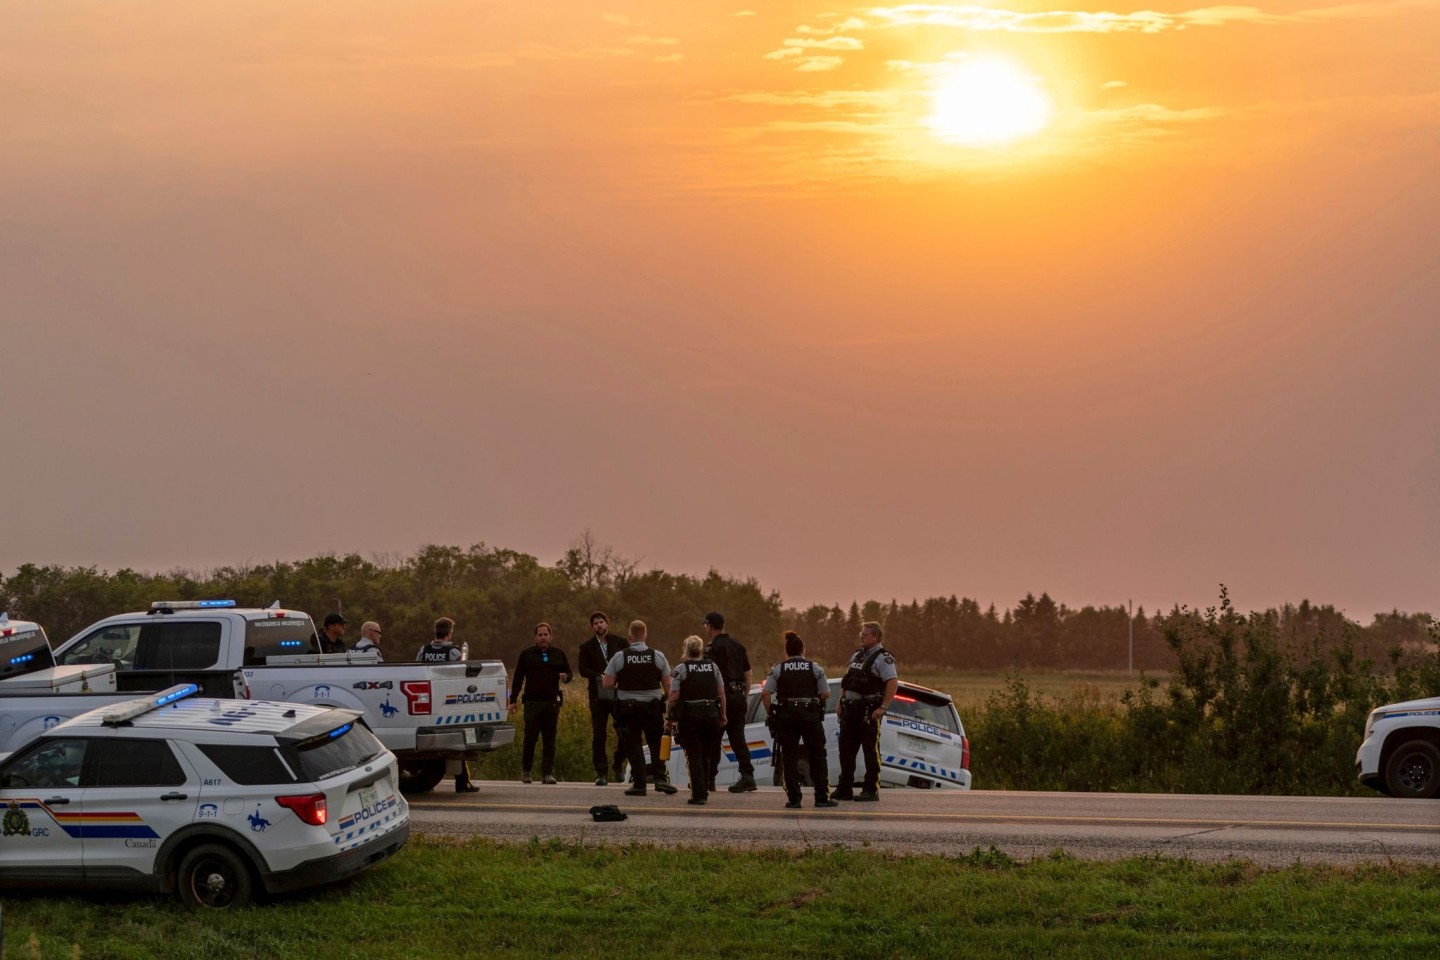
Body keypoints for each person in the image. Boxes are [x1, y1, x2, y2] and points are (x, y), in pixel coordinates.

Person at [761, 631, 837, 809]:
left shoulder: (778, 668)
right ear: (803, 649)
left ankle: (794, 799)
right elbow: (826, 693)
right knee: (818, 755)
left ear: (787, 651)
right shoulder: (815, 668)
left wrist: (770, 712)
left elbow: (766, 693)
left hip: (787, 715)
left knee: (789, 756)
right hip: (810, 714)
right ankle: (821, 797)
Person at [602, 620, 678, 796]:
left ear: (630, 637)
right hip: (652, 708)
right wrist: (671, 709)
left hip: (628, 710)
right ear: (645, 635)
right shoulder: (657, 656)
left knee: (633, 744)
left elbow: (607, 682)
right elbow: (669, 686)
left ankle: (639, 783)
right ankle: (660, 779)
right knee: (655, 743)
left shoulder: (621, 656)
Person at [833, 621, 898, 802]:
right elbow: (847, 681)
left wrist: (882, 707)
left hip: (868, 712)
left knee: (870, 752)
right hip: (850, 710)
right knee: (845, 751)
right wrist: (840, 703)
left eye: (865, 634)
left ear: (876, 637)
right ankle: (844, 788)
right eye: (861, 633)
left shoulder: (883, 658)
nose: (861, 636)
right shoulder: (857, 655)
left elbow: (892, 683)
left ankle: (870, 789)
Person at [416, 617, 476, 792]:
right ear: (449, 633)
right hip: (448, 702)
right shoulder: (453, 652)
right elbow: (462, 676)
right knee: (457, 741)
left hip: (426, 702)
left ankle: (433, 779)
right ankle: (462, 781)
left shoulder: (423, 650)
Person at [509, 622, 572, 785]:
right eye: (540, 635)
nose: (543, 637)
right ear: (535, 637)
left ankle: (548, 773)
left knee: (550, 739)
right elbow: (517, 678)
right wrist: (513, 700)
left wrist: (566, 677)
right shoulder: (526, 655)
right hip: (532, 702)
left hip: (551, 703)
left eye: (546, 634)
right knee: (530, 738)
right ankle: (526, 771)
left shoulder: (559, 654)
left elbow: (569, 673)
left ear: (551, 636)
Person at [666, 635, 726, 805]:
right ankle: (704, 788)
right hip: (711, 714)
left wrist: (669, 716)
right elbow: (721, 693)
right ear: (700, 650)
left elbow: (674, 695)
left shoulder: (681, 669)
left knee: (694, 755)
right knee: (706, 754)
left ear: (685, 649)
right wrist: (723, 714)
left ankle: (698, 794)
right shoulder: (713, 667)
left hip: (690, 716)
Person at [703, 611, 756, 793]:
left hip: (722, 699)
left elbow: (710, 677)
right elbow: (748, 673)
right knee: (738, 738)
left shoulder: (712, 649)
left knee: (713, 739)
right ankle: (748, 776)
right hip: (739, 696)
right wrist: (745, 696)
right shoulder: (738, 645)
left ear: (709, 626)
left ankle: (708, 779)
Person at [578, 612, 627, 786]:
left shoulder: (620, 643)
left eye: (601, 622)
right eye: (595, 623)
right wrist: (601, 675)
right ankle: (602, 773)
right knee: (599, 735)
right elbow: (583, 670)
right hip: (597, 696)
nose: (599, 625)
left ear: (607, 624)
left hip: (618, 695)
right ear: (592, 628)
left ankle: (618, 763)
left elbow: (628, 663)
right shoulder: (586, 647)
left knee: (624, 731)